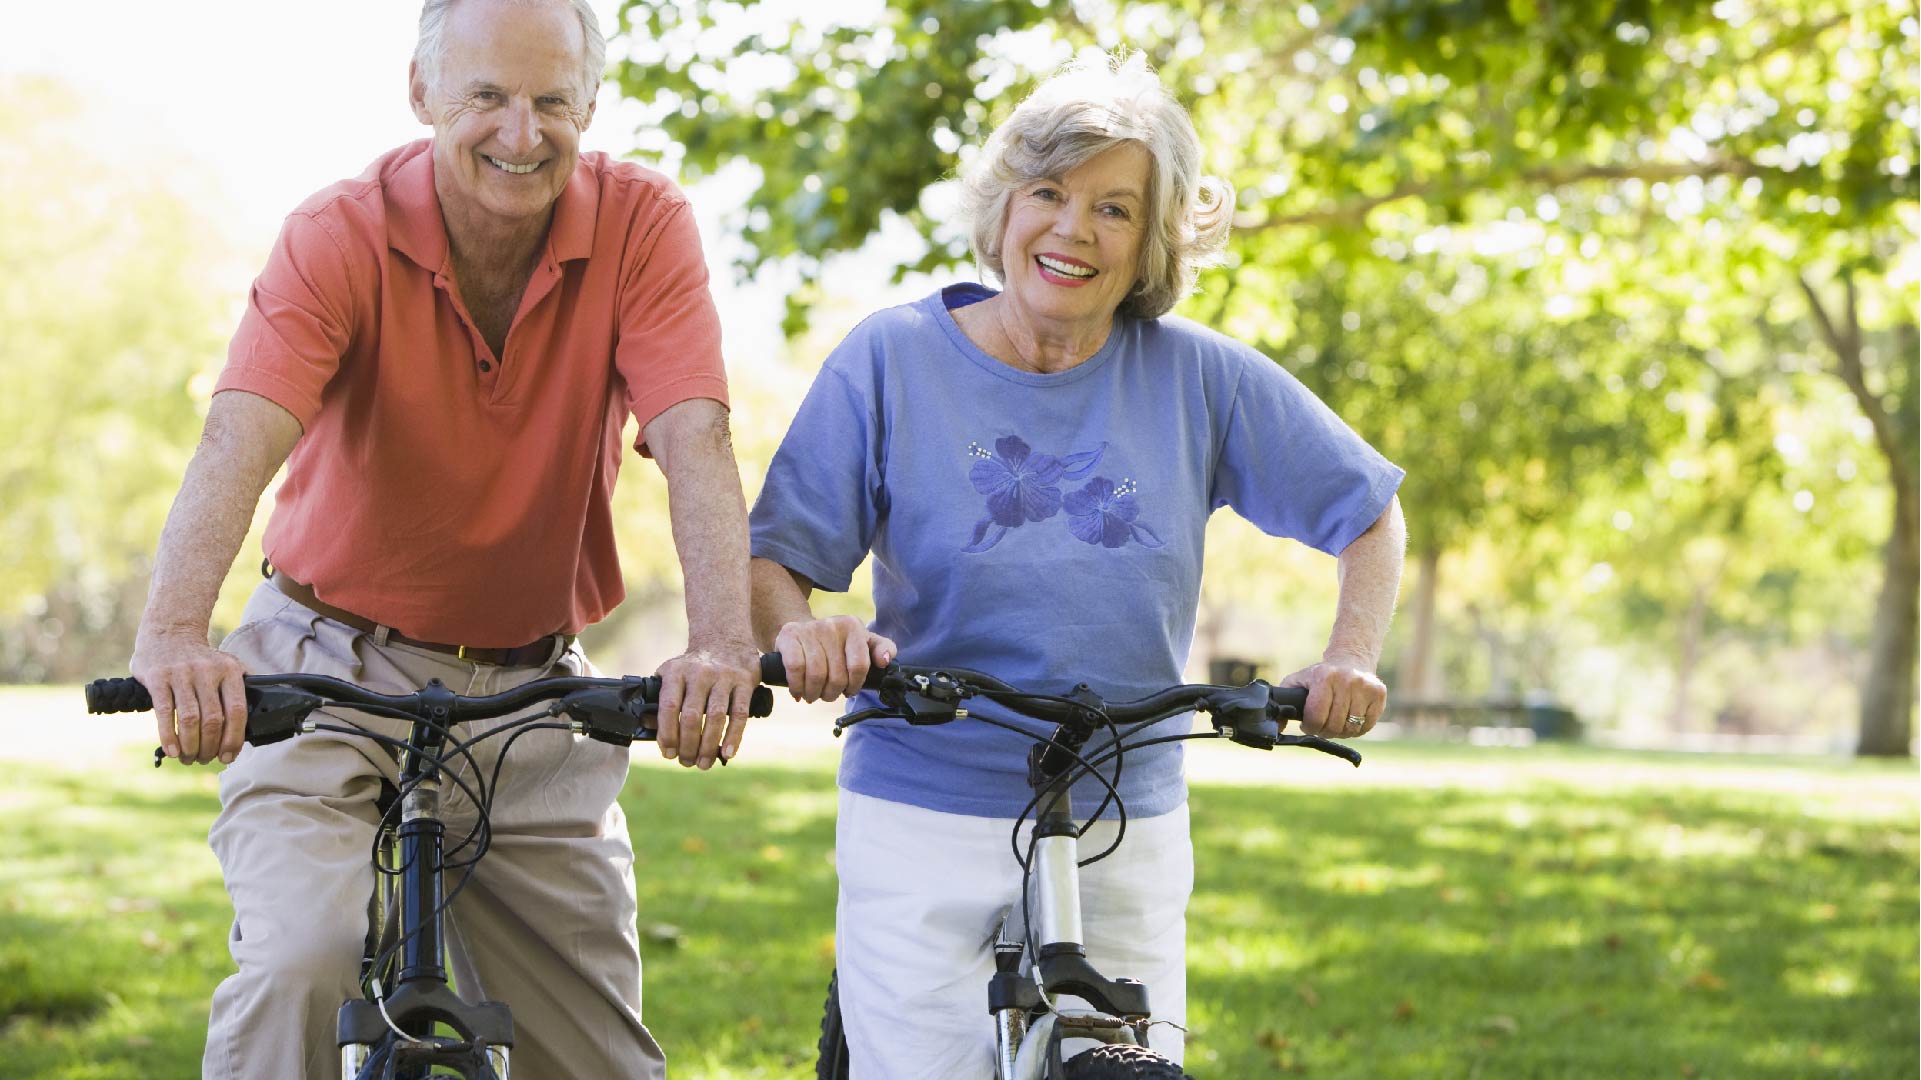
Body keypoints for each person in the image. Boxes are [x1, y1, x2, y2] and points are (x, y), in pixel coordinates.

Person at [127, 0, 760, 1076]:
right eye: (487, 97)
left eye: (552, 100)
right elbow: (242, 434)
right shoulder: (340, 232)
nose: (522, 133)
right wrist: (174, 635)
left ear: (590, 103)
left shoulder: (643, 224)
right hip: (324, 662)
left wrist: (721, 645)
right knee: (302, 961)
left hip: (527, 684)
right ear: (422, 94)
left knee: (600, 1056)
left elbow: (694, 436)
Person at [749, 51, 1408, 1078]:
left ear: (1151, 240)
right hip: (925, 797)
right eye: (1047, 193)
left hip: (1122, 809)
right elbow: (775, 559)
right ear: (1002, 209)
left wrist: (1348, 656)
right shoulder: (891, 360)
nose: (1071, 229)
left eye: (1113, 208)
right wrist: (800, 632)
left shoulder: (1195, 374)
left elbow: (1367, 513)